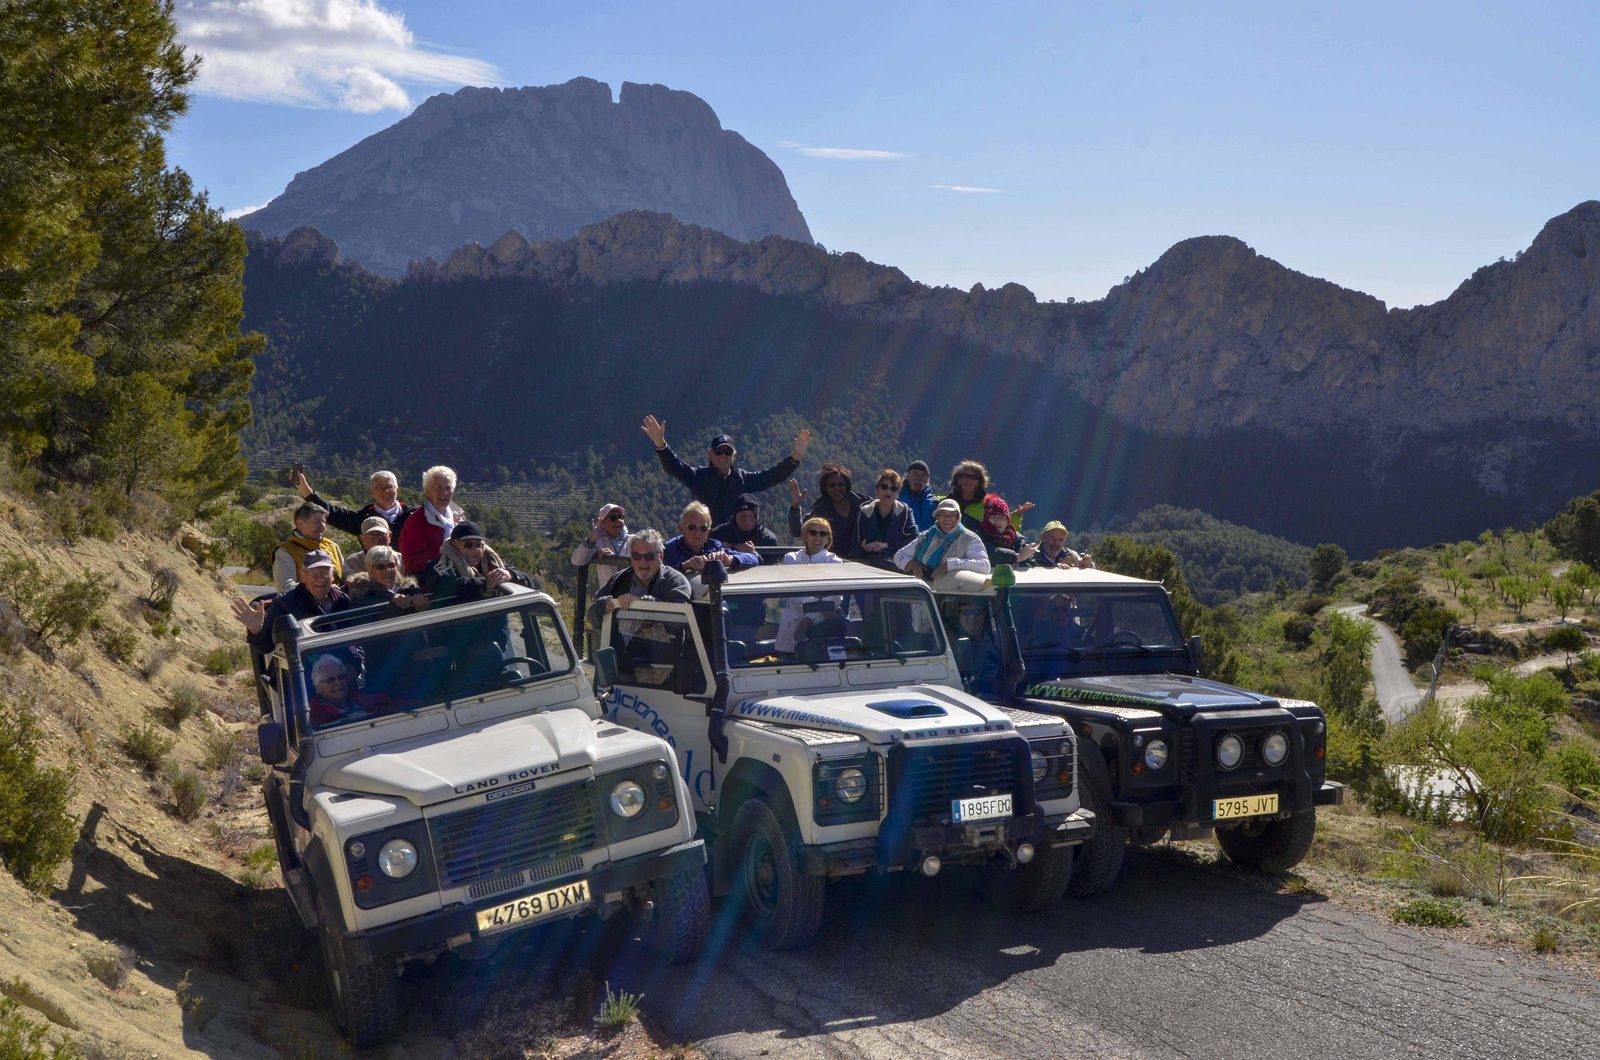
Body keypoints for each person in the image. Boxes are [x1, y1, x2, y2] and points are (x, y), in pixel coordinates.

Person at [643, 416, 811, 526]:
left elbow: (771, 477)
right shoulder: (697, 476)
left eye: (728, 452)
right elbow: (674, 467)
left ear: (734, 456)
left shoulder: (742, 479)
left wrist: (794, 458)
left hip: (735, 541)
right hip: (704, 539)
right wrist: (660, 444)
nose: (723, 456)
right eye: (718, 452)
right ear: (710, 454)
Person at [232, 550, 353, 653]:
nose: (320, 579)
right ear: (303, 576)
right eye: (314, 573)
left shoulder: (342, 600)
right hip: (302, 671)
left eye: (325, 573)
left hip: (342, 668)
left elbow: (354, 638)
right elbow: (265, 647)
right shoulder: (285, 604)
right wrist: (257, 631)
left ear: (332, 576)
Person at [587, 530, 693, 627]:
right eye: (636, 555)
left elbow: (680, 618)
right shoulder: (619, 579)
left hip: (659, 647)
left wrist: (641, 603)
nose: (643, 562)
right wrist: (601, 607)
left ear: (660, 557)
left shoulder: (675, 581)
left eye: (649, 556)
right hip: (618, 648)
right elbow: (590, 616)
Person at [775, 518, 846, 653]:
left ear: (827, 539)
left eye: (823, 534)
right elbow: (794, 593)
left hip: (824, 629)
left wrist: (809, 619)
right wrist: (818, 600)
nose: (818, 537)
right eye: (813, 532)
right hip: (792, 625)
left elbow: (834, 599)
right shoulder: (791, 558)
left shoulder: (835, 562)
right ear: (805, 536)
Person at [426, 521, 533, 598]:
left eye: (478, 544)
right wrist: (485, 583)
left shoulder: (493, 562)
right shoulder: (441, 566)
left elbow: (528, 582)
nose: (474, 549)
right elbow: (443, 585)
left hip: (495, 624)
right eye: (468, 544)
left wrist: (510, 574)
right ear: (454, 545)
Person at [295, 469, 416, 537]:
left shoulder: (414, 516)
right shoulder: (363, 519)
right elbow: (333, 514)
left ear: (397, 490)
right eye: (378, 488)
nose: (385, 491)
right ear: (372, 493)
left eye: (389, 486)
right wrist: (307, 493)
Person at [895, 499, 990, 580]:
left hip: (954, 592)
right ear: (937, 517)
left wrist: (952, 564)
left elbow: (984, 566)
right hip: (925, 588)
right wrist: (913, 564)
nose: (947, 518)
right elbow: (899, 555)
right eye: (943, 514)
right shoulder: (926, 536)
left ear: (958, 517)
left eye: (952, 515)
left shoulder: (970, 539)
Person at [397, 465, 465, 577]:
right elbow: (411, 561)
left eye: (448, 488)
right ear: (427, 491)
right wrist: (448, 555)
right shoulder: (416, 522)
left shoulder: (458, 517)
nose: (444, 492)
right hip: (430, 583)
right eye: (438, 488)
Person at [787, 463, 867, 557]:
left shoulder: (864, 505)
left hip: (862, 562)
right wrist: (795, 506)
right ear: (826, 489)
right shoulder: (821, 509)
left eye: (841, 484)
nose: (837, 488)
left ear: (847, 485)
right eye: (832, 485)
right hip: (831, 562)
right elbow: (798, 531)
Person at [663, 503, 760, 574]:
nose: (698, 532)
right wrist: (683, 567)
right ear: (681, 529)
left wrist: (730, 560)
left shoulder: (714, 547)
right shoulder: (669, 550)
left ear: (708, 532)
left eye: (703, 528)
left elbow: (753, 558)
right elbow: (656, 575)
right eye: (691, 527)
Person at [271, 502, 344, 592]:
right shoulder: (285, 552)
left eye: (324, 522)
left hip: (338, 603)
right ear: (300, 524)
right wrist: (325, 588)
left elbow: (345, 578)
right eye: (317, 522)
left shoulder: (332, 546)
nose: (322, 527)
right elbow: (286, 589)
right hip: (303, 605)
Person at [946, 460, 1034, 533]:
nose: (969, 480)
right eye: (965, 476)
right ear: (958, 480)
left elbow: (1006, 529)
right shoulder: (943, 502)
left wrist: (1017, 515)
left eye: (973, 477)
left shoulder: (989, 506)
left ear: (978, 482)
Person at [853, 469, 918, 569]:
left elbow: (914, 539)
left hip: (897, 567)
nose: (888, 491)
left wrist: (887, 545)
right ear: (877, 490)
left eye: (893, 489)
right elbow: (856, 545)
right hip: (869, 567)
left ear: (898, 494)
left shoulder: (905, 513)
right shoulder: (864, 513)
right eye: (884, 487)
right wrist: (865, 548)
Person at [308, 655, 393, 726]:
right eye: (330, 680)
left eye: (341, 677)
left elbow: (389, 702)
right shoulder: (311, 713)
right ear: (317, 687)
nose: (338, 682)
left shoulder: (359, 697)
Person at [343, 546, 426, 608]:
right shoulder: (360, 597)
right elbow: (368, 629)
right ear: (370, 570)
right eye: (380, 567)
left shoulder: (410, 588)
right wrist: (395, 608)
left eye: (391, 565)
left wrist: (422, 609)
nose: (387, 570)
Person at [952, 602, 1004, 697]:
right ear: (959, 615)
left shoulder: (998, 640)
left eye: (977, 612)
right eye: (966, 612)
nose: (972, 617)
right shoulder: (947, 643)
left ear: (984, 614)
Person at [976, 495, 1039, 567]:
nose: (998, 521)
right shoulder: (979, 537)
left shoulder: (1016, 538)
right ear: (986, 519)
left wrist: (1027, 553)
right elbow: (990, 553)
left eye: (1002, 518)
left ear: (1007, 521)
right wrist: (1017, 557)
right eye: (993, 517)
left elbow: (1028, 561)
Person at [710, 493, 780, 550]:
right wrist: (721, 547)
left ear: (756, 517)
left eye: (751, 516)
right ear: (735, 516)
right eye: (743, 516)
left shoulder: (768, 539)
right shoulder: (718, 535)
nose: (747, 520)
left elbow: (772, 565)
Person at [1026, 521, 1095, 569]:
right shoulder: (1029, 557)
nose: (1056, 543)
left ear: (1065, 541)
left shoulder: (1073, 556)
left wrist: (1089, 565)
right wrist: (1054, 570)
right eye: (1052, 538)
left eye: (1060, 540)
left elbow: (1096, 571)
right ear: (1042, 537)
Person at [899, 459, 939, 532]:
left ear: (928, 479)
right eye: (915, 473)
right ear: (907, 476)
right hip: (901, 542)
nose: (919, 477)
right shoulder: (897, 497)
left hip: (927, 542)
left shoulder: (935, 502)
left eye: (923, 475)